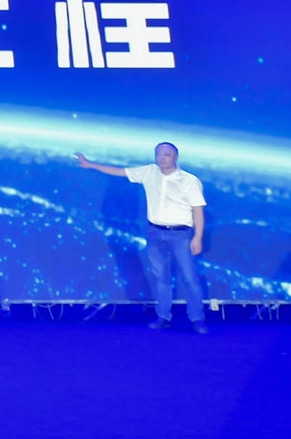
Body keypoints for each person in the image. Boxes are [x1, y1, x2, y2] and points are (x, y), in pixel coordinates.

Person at [75, 143, 208, 334]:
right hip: (155, 233)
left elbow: (198, 210)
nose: (162, 158)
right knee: (161, 277)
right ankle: (163, 317)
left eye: (167, 155)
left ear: (175, 157)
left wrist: (198, 236)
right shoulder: (149, 172)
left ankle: (197, 319)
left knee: (189, 278)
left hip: (181, 235)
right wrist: (91, 165)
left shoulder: (189, 181)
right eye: (158, 154)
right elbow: (119, 171)